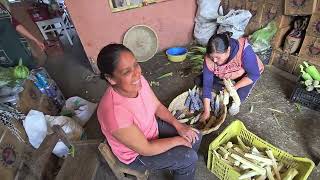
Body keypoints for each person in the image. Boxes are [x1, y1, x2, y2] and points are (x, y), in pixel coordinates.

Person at [97, 44, 202, 180]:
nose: (137, 73)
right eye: (126, 72)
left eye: (136, 64)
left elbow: (157, 105)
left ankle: (180, 168)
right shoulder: (114, 114)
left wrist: (178, 125)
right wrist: (178, 140)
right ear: (111, 78)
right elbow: (146, 149)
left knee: (195, 136)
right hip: (137, 155)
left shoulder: (138, 80)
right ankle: (184, 165)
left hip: (150, 128)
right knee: (188, 157)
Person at [200, 32, 264, 120]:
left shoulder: (244, 50)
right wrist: (207, 111)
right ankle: (225, 87)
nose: (214, 60)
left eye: (218, 57)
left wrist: (235, 87)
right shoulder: (209, 59)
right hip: (227, 73)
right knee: (200, 80)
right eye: (212, 57)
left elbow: (253, 74)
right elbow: (207, 85)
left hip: (246, 74)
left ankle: (237, 88)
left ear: (228, 50)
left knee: (237, 99)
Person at [0, 3, 45, 68]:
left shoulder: (1, 6)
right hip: (6, 53)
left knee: (31, 69)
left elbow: (15, 24)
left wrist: (35, 40)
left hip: (19, 46)